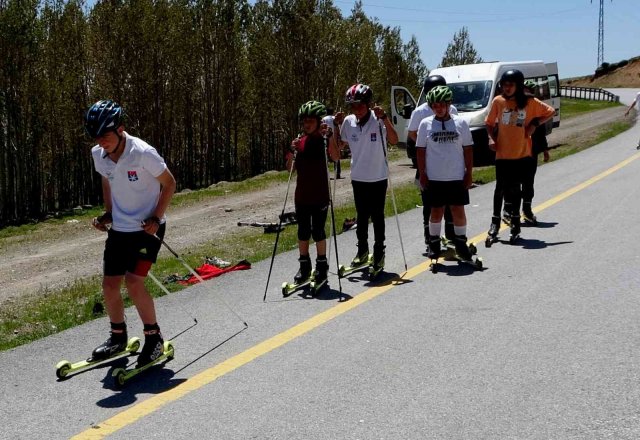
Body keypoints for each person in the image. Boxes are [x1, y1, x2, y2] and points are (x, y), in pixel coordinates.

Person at [85, 99, 176, 368]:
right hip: (120, 229)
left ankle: (154, 338)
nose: (102, 142)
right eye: (96, 136)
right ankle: (118, 337)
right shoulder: (98, 154)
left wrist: (157, 218)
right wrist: (109, 212)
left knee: (134, 282)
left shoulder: (143, 152)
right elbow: (107, 179)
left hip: (147, 228)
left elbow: (169, 183)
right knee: (110, 285)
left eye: (105, 135)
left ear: (120, 129)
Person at [335, 84, 398, 273]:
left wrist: (385, 118)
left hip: (378, 176)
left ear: (369, 104)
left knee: (377, 215)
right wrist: (336, 126)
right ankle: (362, 251)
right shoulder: (348, 121)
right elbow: (340, 145)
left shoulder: (378, 121)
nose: (356, 109)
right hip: (358, 176)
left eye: (360, 105)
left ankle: (379, 252)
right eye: (352, 106)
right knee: (361, 216)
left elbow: (394, 140)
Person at [485, 70, 554, 242]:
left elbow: (550, 111)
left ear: (518, 86)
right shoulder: (498, 101)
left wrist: (534, 124)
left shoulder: (529, 102)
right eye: (504, 85)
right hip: (503, 153)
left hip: (521, 153)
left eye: (510, 85)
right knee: (500, 188)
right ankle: (495, 223)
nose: (506, 88)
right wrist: (491, 139)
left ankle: (515, 223)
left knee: (516, 189)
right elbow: (488, 123)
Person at [415, 85, 474, 260]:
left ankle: (461, 243)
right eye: (434, 106)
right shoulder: (425, 124)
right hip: (434, 177)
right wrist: (422, 173)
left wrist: (469, 173)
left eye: (442, 105)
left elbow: (468, 149)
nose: (439, 108)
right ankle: (433, 243)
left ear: (449, 104)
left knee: (458, 211)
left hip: (456, 176)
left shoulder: (460, 123)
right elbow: (420, 151)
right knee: (436, 212)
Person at [287, 101, 340, 286]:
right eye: (304, 121)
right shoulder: (299, 141)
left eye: (310, 120)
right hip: (301, 196)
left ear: (318, 121)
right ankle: (304, 266)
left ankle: (322, 266)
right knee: (303, 232)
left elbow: (335, 157)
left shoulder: (324, 140)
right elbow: (289, 169)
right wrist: (290, 150)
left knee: (318, 231)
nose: (307, 124)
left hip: (320, 196)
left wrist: (331, 136)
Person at [407, 75, 459, 246]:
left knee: (451, 204)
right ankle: (430, 237)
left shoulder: (453, 110)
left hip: (448, 163)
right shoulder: (420, 111)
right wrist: (428, 144)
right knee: (429, 203)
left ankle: (451, 235)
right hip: (428, 162)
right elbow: (412, 133)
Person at [521, 79, 551, 225]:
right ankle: (509, 210)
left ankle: (526, 209)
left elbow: (542, 133)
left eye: (530, 92)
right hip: (517, 150)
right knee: (514, 181)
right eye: (525, 91)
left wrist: (545, 151)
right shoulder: (516, 106)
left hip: (532, 151)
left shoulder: (538, 108)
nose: (528, 95)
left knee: (528, 181)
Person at [322, 107, 342, 179]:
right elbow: (338, 127)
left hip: (326, 138)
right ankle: (338, 173)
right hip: (334, 138)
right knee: (336, 154)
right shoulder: (335, 118)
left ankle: (326, 174)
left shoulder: (324, 119)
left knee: (326, 155)